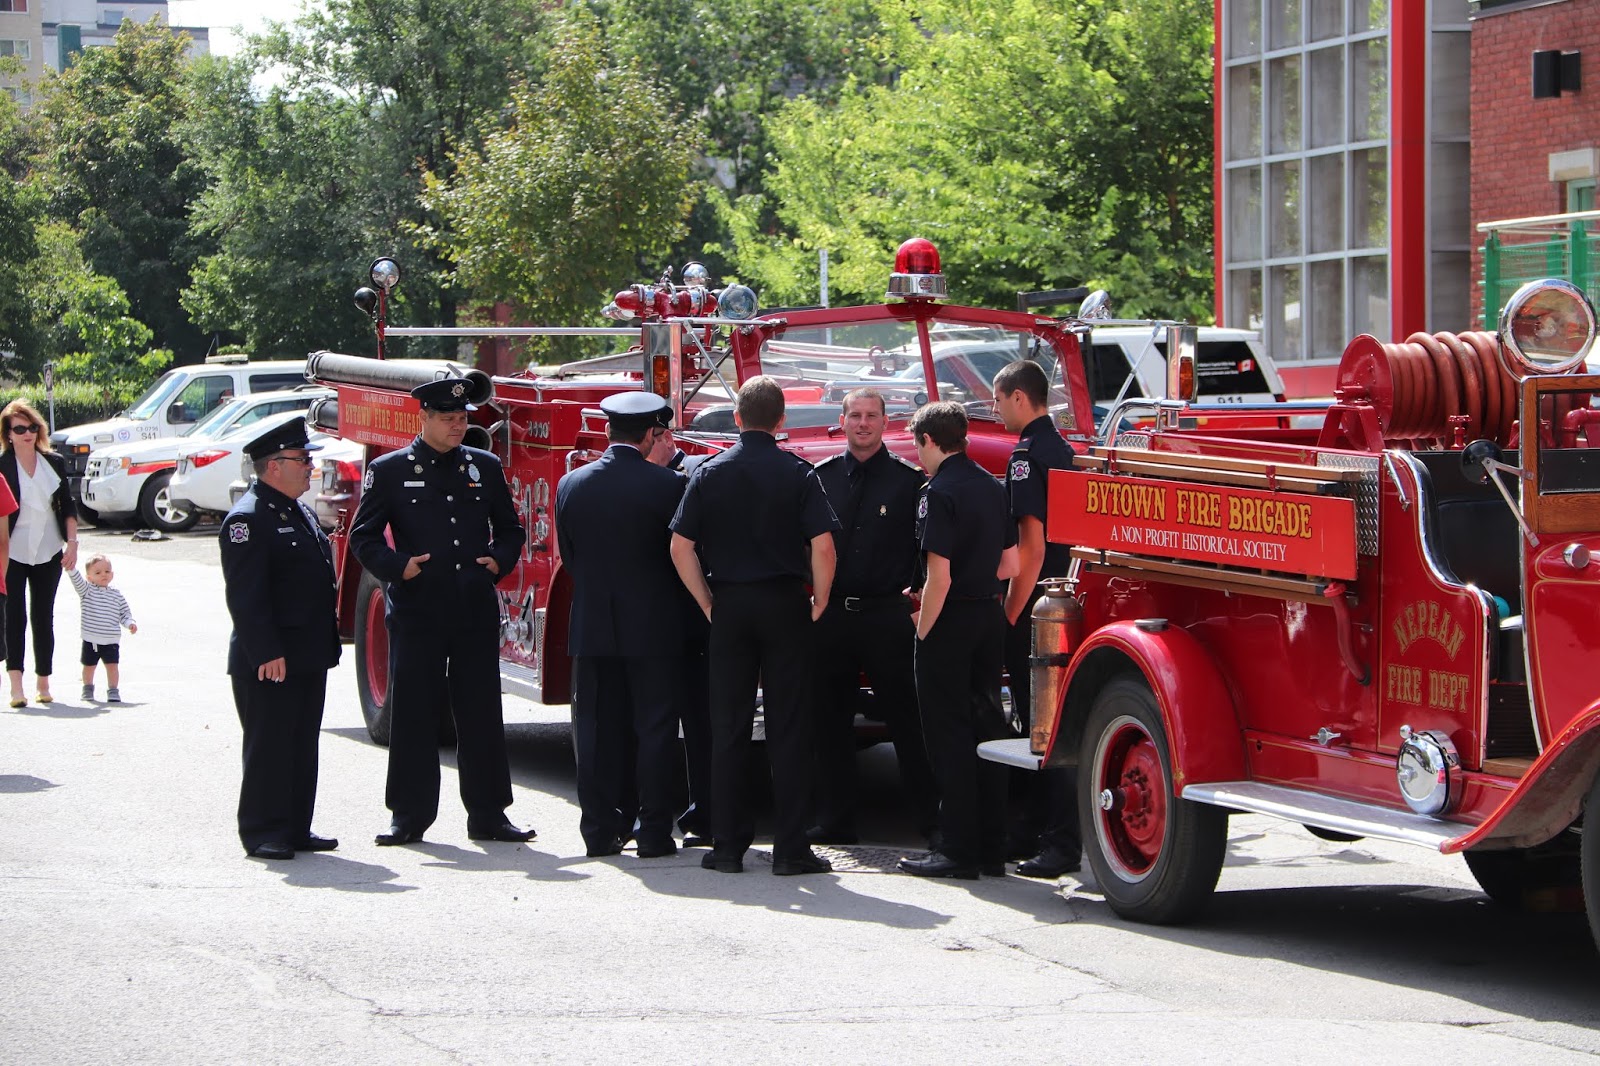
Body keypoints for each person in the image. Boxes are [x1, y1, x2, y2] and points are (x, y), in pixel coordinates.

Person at [349, 378, 532, 847]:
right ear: (424, 419)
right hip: (418, 608)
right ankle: (408, 816)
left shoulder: (484, 467)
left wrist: (500, 560)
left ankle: (489, 814)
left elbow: (511, 529)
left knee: (481, 712)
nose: (457, 426)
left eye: (463, 418)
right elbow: (363, 537)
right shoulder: (390, 470)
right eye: (448, 418)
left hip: (471, 606)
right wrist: (399, 569)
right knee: (413, 713)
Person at [669, 376, 839, 875]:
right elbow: (823, 547)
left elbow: (680, 546)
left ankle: (726, 846)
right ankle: (790, 849)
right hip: (786, 603)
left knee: (728, 727)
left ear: (737, 418)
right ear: (782, 421)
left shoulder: (709, 473)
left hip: (731, 606)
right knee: (789, 727)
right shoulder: (800, 473)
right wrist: (820, 600)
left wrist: (706, 602)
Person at [556, 392, 687, 858]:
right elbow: (680, 559)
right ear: (652, 433)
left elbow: (569, 558)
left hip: (592, 624)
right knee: (654, 728)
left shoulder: (570, 484)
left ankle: (597, 830)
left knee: (593, 730)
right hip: (654, 626)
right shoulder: (668, 486)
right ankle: (652, 831)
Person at [810, 387, 938, 845]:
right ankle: (834, 821)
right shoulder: (820, 478)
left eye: (871, 416)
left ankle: (930, 822)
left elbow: (928, 549)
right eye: (855, 416)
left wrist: (916, 598)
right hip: (834, 616)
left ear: (887, 423)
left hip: (888, 616)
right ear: (841, 422)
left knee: (909, 721)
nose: (863, 423)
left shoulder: (909, 482)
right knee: (830, 721)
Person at [898, 402, 1018, 880]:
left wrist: (923, 631)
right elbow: (1009, 566)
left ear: (928, 441)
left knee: (947, 738)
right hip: (988, 614)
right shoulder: (993, 486)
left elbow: (938, 577)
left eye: (917, 444)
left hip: (949, 621)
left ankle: (956, 848)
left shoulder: (937, 492)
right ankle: (991, 846)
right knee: (988, 731)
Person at [219, 417, 341, 860]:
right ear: (274, 466)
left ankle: (294, 826)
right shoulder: (248, 519)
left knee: (301, 743)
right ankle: (263, 830)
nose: (310, 466)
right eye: (302, 459)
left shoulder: (297, 509)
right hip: (271, 657)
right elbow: (246, 596)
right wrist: (266, 651)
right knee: (269, 746)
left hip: (307, 653)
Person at [993, 360, 1082, 880]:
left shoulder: (1027, 455)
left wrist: (1009, 613)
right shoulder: (1063, 449)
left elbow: (1031, 546)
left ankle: (1058, 842)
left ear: (1020, 399)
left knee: (1042, 728)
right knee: (1046, 726)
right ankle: (1032, 830)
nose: (997, 409)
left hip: (1037, 608)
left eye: (1000, 401)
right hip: (1064, 598)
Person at [647, 427, 712, 845]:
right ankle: (653, 817)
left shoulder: (697, 476)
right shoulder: (638, 481)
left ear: (667, 438)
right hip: (654, 624)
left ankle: (704, 813)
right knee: (654, 725)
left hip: (692, 624)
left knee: (701, 724)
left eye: (646, 438)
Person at [0, 400, 77, 707]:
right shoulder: (2, 466)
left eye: (32, 427)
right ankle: (16, 687)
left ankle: (43, 683)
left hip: (49, 550)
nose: (28, 433)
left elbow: (68, 506)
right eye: (20, 429)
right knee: (13, 616)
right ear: (8, 434)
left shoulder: (53, 462)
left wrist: (72, 542)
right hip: (12, 552)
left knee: (43, 616)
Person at [67, 554, 137, 703]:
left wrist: (130, 623)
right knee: (89, 666)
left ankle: (113, 690)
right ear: (89, 577)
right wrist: (71, 569)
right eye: (97, 573)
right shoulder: (87, 592)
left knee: (112, 666)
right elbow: (77, 581)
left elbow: (125, 613)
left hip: (111, 640)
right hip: (91, 639)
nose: (103, 575)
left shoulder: (116, 595)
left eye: (107, 571)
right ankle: (87, 688)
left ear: (112, 574)